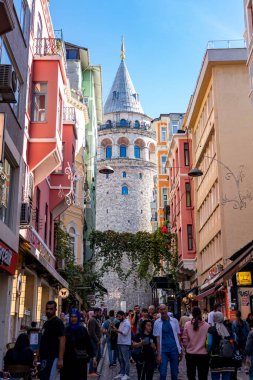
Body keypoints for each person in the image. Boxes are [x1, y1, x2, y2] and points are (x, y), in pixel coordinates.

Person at [61, 308, 96, 380]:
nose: (73, 319)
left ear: (78, 317)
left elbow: (88, 344)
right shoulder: (66, 330)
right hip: (68, 362)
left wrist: (93, 357)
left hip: (80, 361)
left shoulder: (83, 330)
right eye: (72, 317)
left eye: (75, 316)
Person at [153, 303, 182, 380]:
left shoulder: (174, 321)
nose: (163, 311)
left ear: (167, 309)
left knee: (174, 373)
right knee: (162, 373)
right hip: (163, 350)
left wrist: (180, 350)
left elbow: (178, 336)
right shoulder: (157, 322)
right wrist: (158, 354)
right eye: (161, 309)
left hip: (174, 349)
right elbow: (157, 339)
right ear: (159, 310)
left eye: (164, 309)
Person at [39, 300, 65, 380]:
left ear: (55, 310)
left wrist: (60, 358)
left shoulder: (58, 322)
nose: (49, 311)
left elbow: (62, 340)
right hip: (44, 357)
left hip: (53, 357)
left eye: (51, 309)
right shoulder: (46, 323)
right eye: (47, 309)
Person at [208, 311, 237, 380]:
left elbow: (208, 343)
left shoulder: (211, 330)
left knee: (215, 376)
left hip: (215, 357)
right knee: (226, 375)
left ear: (214, 319)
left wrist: (208, 352)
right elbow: (233, 341)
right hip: (227, 357)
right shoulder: (228, 329)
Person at [182, 307, 210, 380]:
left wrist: (187, 347)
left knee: (191, 376)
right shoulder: (207, 326)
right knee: (203, 376)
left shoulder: (187, 325)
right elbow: (209, 341)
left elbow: (184, 339)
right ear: (200, 314)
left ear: (192, 314)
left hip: (191, 354)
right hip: (203, 354)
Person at [112, 310, 131, 380]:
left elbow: (125, 333)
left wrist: (116, 330)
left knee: (126, 359)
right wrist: (115, 330)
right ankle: (122, 373)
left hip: (125, 343)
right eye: (118, 317)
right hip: (120, 342)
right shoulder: (121, 322)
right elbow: (120, 333)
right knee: (120, 359)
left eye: (119, 316)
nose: (119, 318)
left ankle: (127, 374)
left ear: (123, 316)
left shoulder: (127, 323)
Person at [87, 307, 102, 376]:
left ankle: (95, 370)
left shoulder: (96, 319)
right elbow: (92, 332)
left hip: (97, 340)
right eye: (100, 312)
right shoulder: (92, 320)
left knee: (98, 356)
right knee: (94, 356)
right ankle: (91, 371)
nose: (101, 314)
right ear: (96, 312)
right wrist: (97, 340)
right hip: (93, 341)